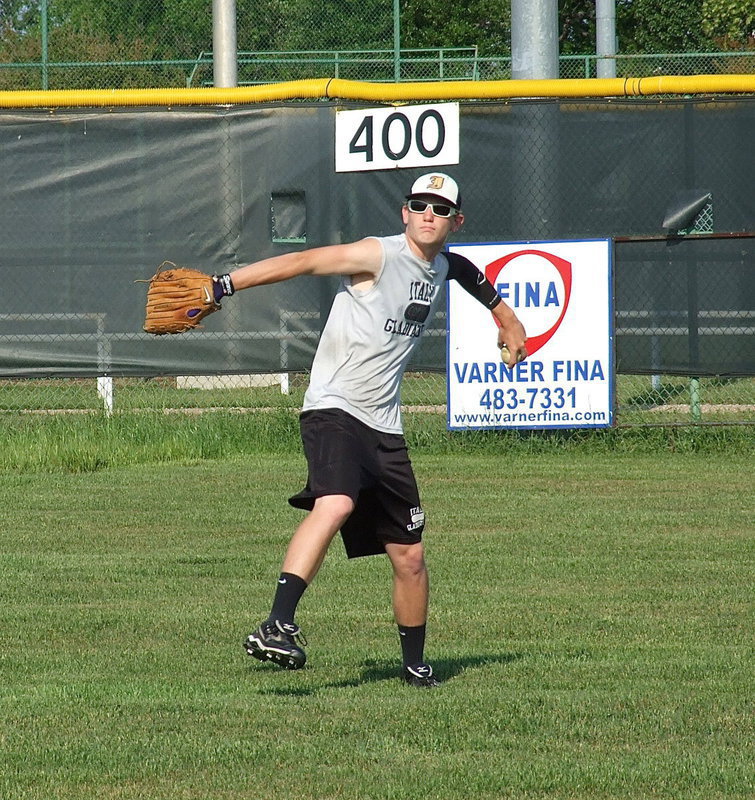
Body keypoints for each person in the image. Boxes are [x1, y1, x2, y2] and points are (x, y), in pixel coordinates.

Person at [212, 172, 527, 687]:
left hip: (384, 427)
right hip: (334, 408)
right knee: (336, 502)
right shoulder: (376, 255)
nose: (428, 214)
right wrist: (224, 285)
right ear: (404, 213)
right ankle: (276, 622)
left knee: (411, 556)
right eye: (419, 205)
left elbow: (466, 272)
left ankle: (415, 667)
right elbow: (302, 262)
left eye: (440, 209)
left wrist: (505, 317)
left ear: (456, 221)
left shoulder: (442, 266)